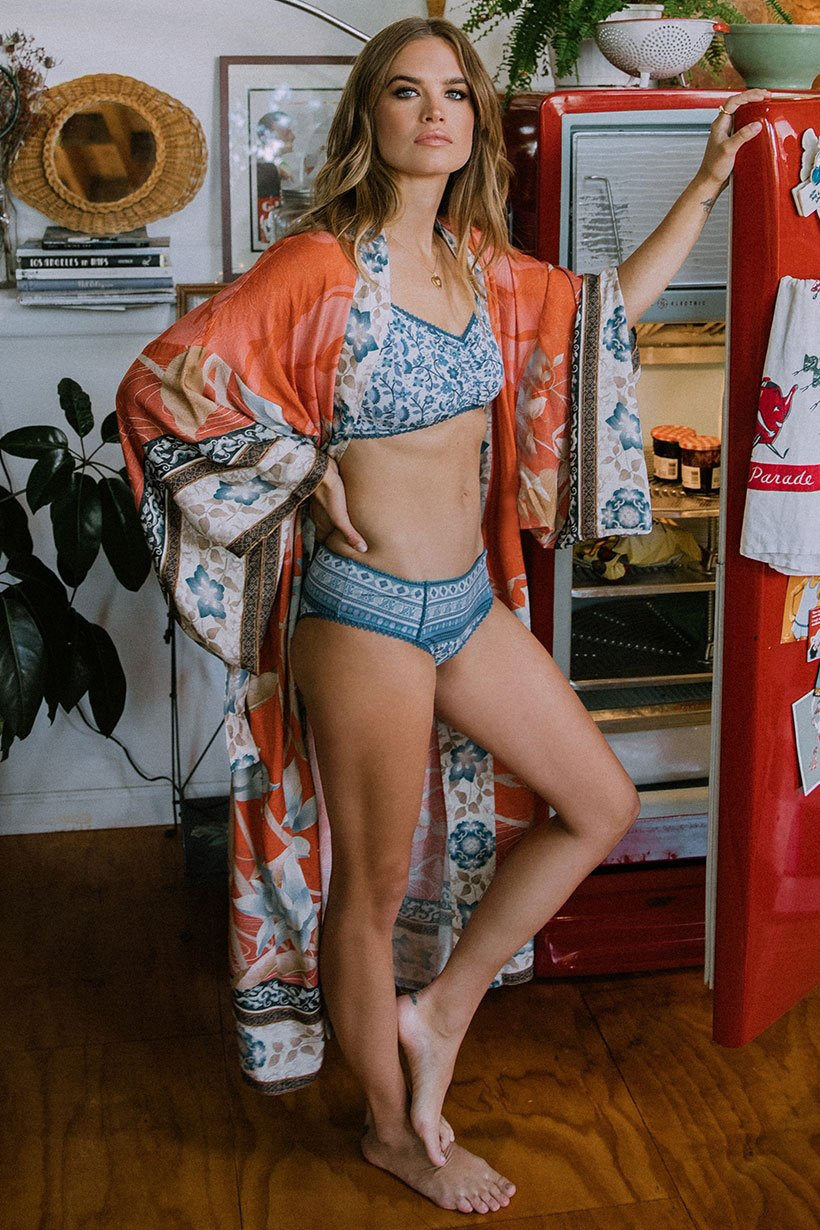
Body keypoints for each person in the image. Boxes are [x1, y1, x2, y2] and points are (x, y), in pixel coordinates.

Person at [116, 15, 768, 1217]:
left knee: (601, 805)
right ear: (370, 115)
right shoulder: (316, 266)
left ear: (475, 124)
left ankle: (445, 1004)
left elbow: (601, 322)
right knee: (366, 895)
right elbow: (162, 386)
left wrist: (704, 185)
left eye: (455, 95)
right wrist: (298, 468)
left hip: (464, 605)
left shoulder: (476, 263)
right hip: (362, 617)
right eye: (408, 93)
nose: (435, 114)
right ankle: (393, 1133)